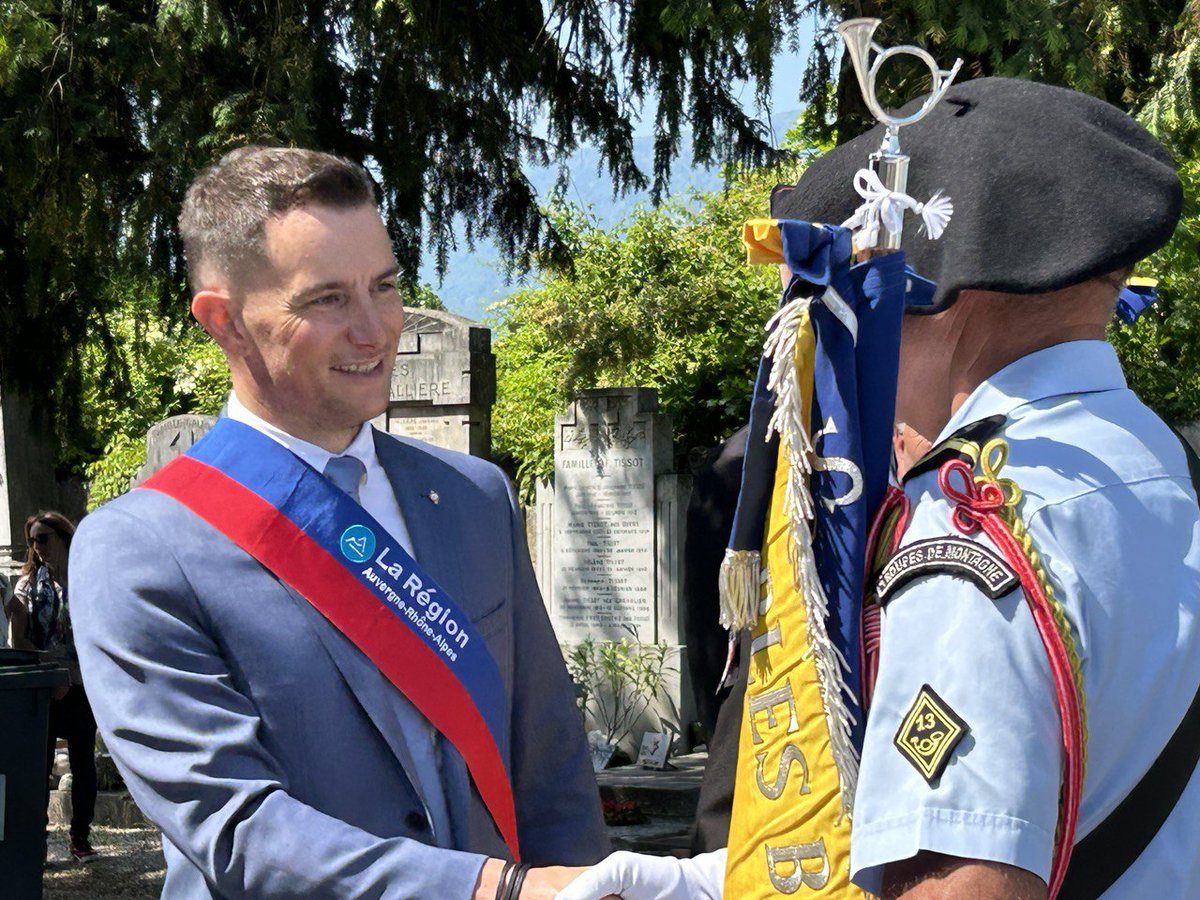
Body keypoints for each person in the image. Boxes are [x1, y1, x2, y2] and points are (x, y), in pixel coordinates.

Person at [559, 76, 1200, 899]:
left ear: (934, 292)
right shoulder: (1160, 460)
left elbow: (958, 878)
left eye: (852, 293)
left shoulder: (968, 521)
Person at [69, 147, 606, 899]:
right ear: (224, 322)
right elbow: (235, 828)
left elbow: (550, 765)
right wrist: (495, 890)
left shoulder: (476, 497)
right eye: (326, 300)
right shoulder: (139, 550)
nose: (376, 329)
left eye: (384, 286)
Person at [11, 510, 100, 863]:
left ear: (63, 537)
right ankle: (38, 839)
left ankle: (80, 836)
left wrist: (72, 675)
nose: (37, 547)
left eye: (43, 538)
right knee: (37, 768)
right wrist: (16, 616)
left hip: (80, 684)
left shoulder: (87, 581)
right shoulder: (28, 586)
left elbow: (96, 637)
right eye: (32, 540)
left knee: (84, 763)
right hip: (42, 686)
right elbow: (19, 647)